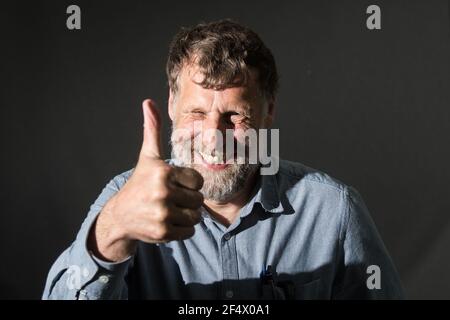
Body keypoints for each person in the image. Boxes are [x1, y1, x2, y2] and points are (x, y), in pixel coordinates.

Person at [43, 19, 404, 300]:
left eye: (236, 117)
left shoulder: (334, 211)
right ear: (171, 105)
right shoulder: (125, 198)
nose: (214, 138)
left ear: (269, 111)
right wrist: (112, 232)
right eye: (196, 113)